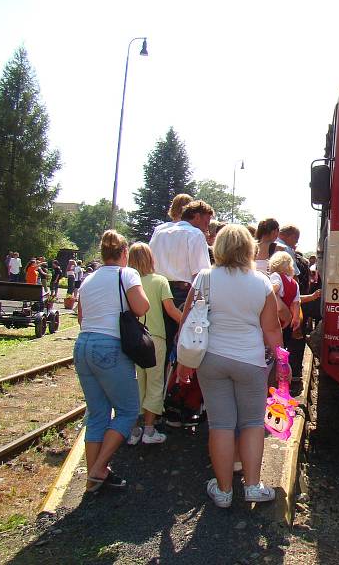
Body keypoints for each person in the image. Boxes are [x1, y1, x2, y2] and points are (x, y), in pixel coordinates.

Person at [176, 224, 282, 507]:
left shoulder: (204, 279)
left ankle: (223, 491)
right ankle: (252, 487)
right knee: (252, 423)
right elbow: (271, 330)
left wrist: (182, 363)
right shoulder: (261, 282)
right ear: (250, 248)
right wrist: (283, 364)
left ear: (219, 247)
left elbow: (187, 321)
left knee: (221, 424)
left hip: (211, 359)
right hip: (250, 361)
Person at [74, 230, 150, 492]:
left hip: (83, 345)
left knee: (97, 414)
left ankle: (92, 482)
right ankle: (100, 468)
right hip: (110, 346)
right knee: (128, 410)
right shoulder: (126, 274)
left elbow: (81, 317)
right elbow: (141, 308)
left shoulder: (88, 279)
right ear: (124, 253)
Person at [126, 243, 182, 445]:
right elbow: (171, 310)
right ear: (151, 259)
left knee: (134, 384)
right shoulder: (160, 281)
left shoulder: (127, 282)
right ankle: (149, 430)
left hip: (131, 339)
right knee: (155, 382)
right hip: (155, 337)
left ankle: (133, 430)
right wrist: (187, 321)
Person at [150, 200, 214, 363]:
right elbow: (202, 274)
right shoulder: (195, 234)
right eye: (206, 222)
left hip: (156, 289)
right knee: (182, 341)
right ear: (197, 216)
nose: (207, 228)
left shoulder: (159, 231)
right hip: (181, 294)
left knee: (158, 339)